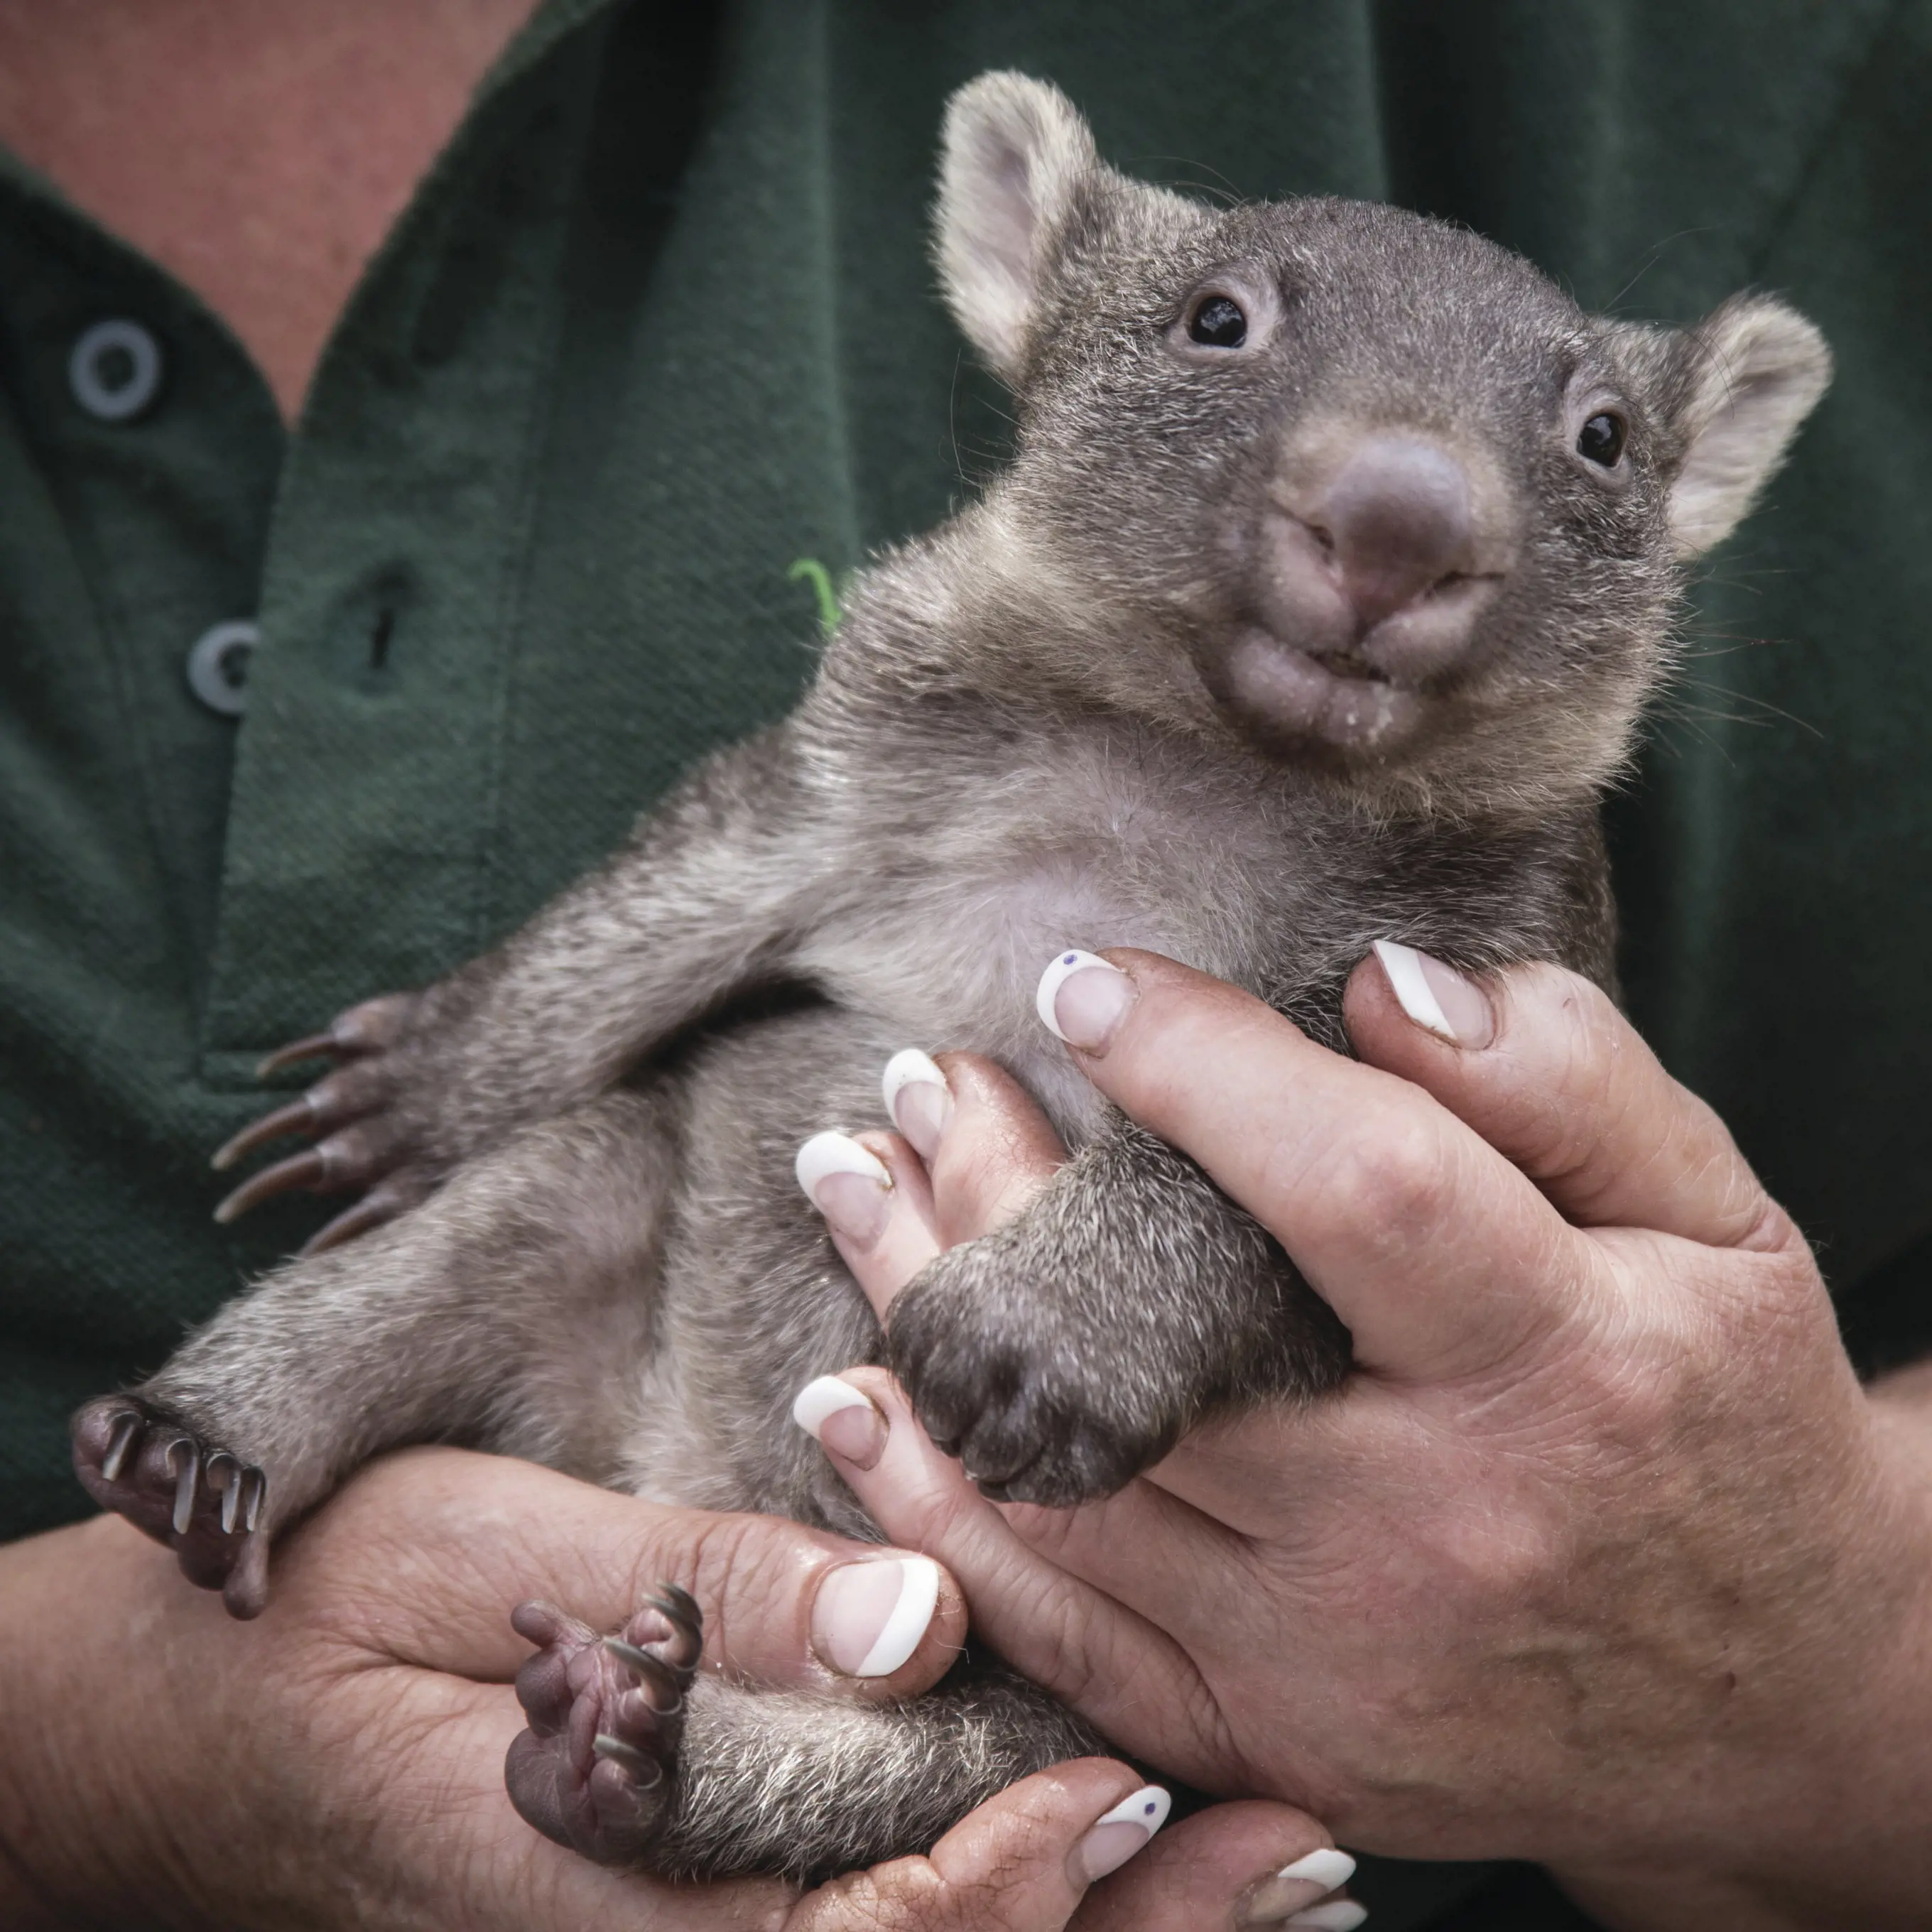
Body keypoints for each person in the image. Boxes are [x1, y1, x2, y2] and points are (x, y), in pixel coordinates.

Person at [1, 2, 1926, 1927]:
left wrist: (1832, 1670)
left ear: (1691, 487)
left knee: (1023, 1729)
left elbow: (1367, 1223)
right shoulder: (957, 669)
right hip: (663, 1302)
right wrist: (482, 1053)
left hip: (1043, 1606)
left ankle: (682, 1765)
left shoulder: (1481, 900)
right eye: (1225, 330)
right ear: (1036, 282)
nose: (1411, 511)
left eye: (1594, 444)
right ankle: (233, 1420)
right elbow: (744, 855)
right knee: (562, 1196)